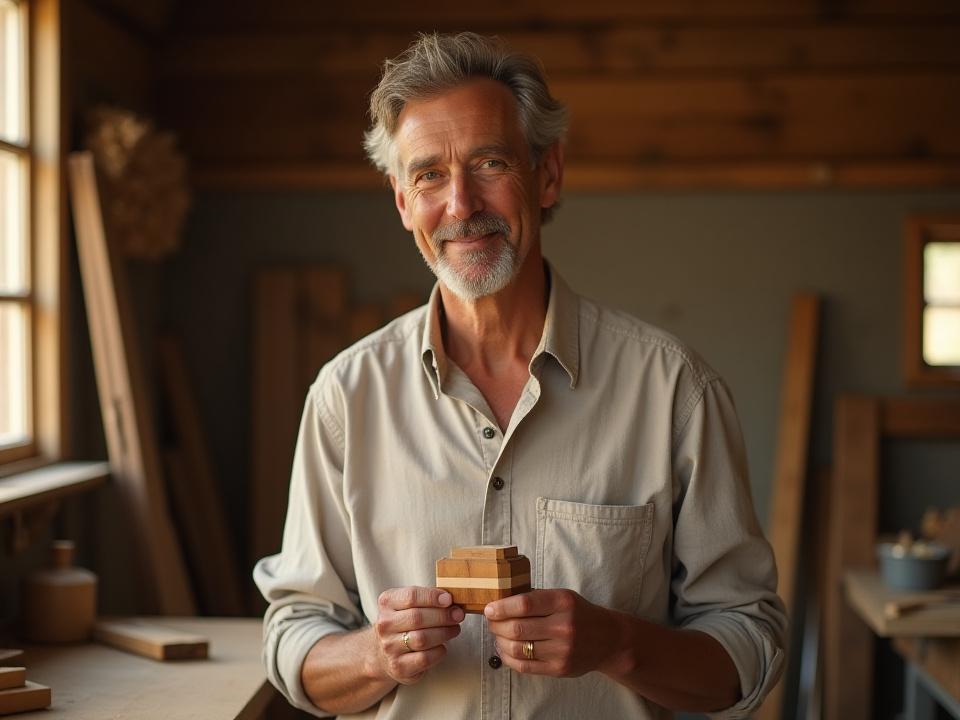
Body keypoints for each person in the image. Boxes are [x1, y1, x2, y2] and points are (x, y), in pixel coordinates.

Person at [254, 31, 786, 719]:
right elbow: (293, 634)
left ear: (548, 174)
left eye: (490, 162)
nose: (462, 205)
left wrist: (617, 644)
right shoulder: (344, 399)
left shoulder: (674, 391)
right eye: (429, 176)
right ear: (401, 203)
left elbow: (750, 649)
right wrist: (371, 656)